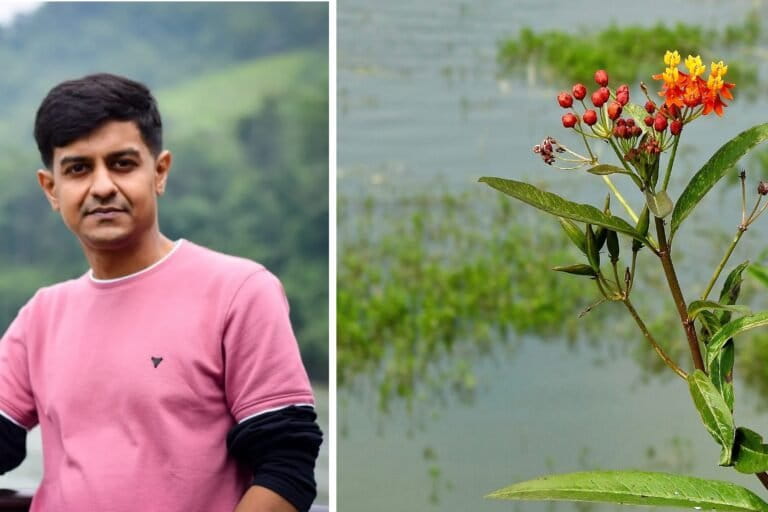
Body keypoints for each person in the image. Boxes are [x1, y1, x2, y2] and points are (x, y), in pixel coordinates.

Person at [0, 73, 322, 511]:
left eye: (122, 163)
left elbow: (287, 465)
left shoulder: (239, 292)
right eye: (78, 168)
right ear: (52, 189)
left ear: (160, 172)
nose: (101, 187)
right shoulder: (42, 315)